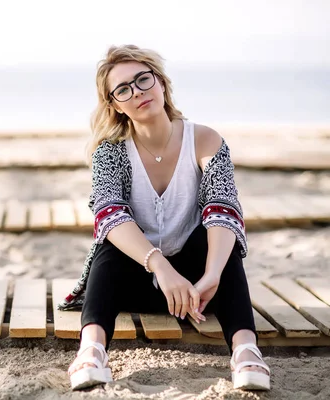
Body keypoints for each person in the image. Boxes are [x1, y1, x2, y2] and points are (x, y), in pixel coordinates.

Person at [58, 45, 271, 391]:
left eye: (143, 79)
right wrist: (160, 266)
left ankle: (246, 351)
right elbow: (108, 214)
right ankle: (91, 351)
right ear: (114, 104)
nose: (138, 92)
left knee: (218, 238)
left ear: (161, 82)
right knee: (107, 248)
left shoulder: (204, 139)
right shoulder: (110, 150)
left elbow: (224, 209)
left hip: (198, 288)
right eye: (123, 89)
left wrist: (212, 275)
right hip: (135, 282)